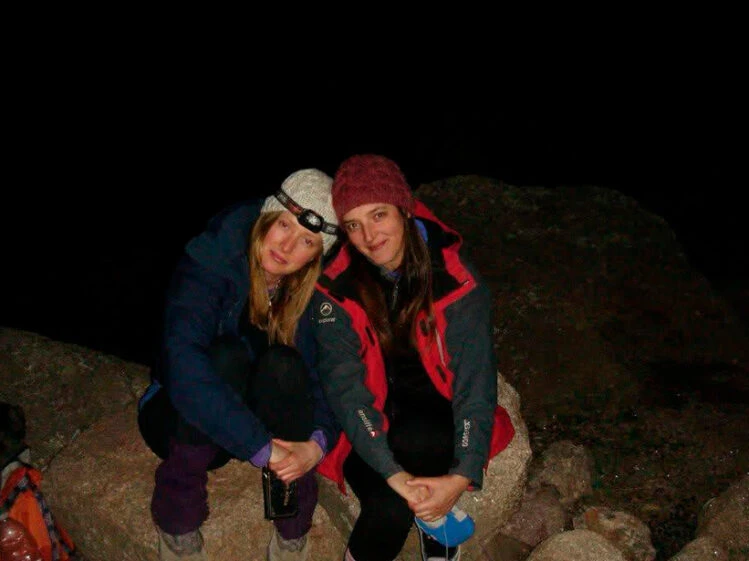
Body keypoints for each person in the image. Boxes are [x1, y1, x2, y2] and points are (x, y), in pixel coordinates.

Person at [311, 155, 515, 561]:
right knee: (389, 507)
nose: (369, 236)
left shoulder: (454, 278)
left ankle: (435, 523)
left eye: (378, 215)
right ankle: (437, 523)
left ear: (404, 209)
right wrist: (393, 474)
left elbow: (475, 381)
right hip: (366, 426)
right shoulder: (335, 288)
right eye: (353, 225)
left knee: (420, 444)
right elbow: (346, 391)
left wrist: (462, 475)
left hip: (434, 423)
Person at [137, 169, 341, 561]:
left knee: (286, 365)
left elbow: (328, 376)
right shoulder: (214, 257)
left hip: (252, 425)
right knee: (224, 357)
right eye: (284, 225)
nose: (286, 246)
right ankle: (177, 521)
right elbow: (182, 364)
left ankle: (291, 525)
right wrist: (262, 448)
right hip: (178, 419)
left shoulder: (315, 294)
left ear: (316, 256)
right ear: (267, 215)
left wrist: (317, 444)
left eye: (306, 241)